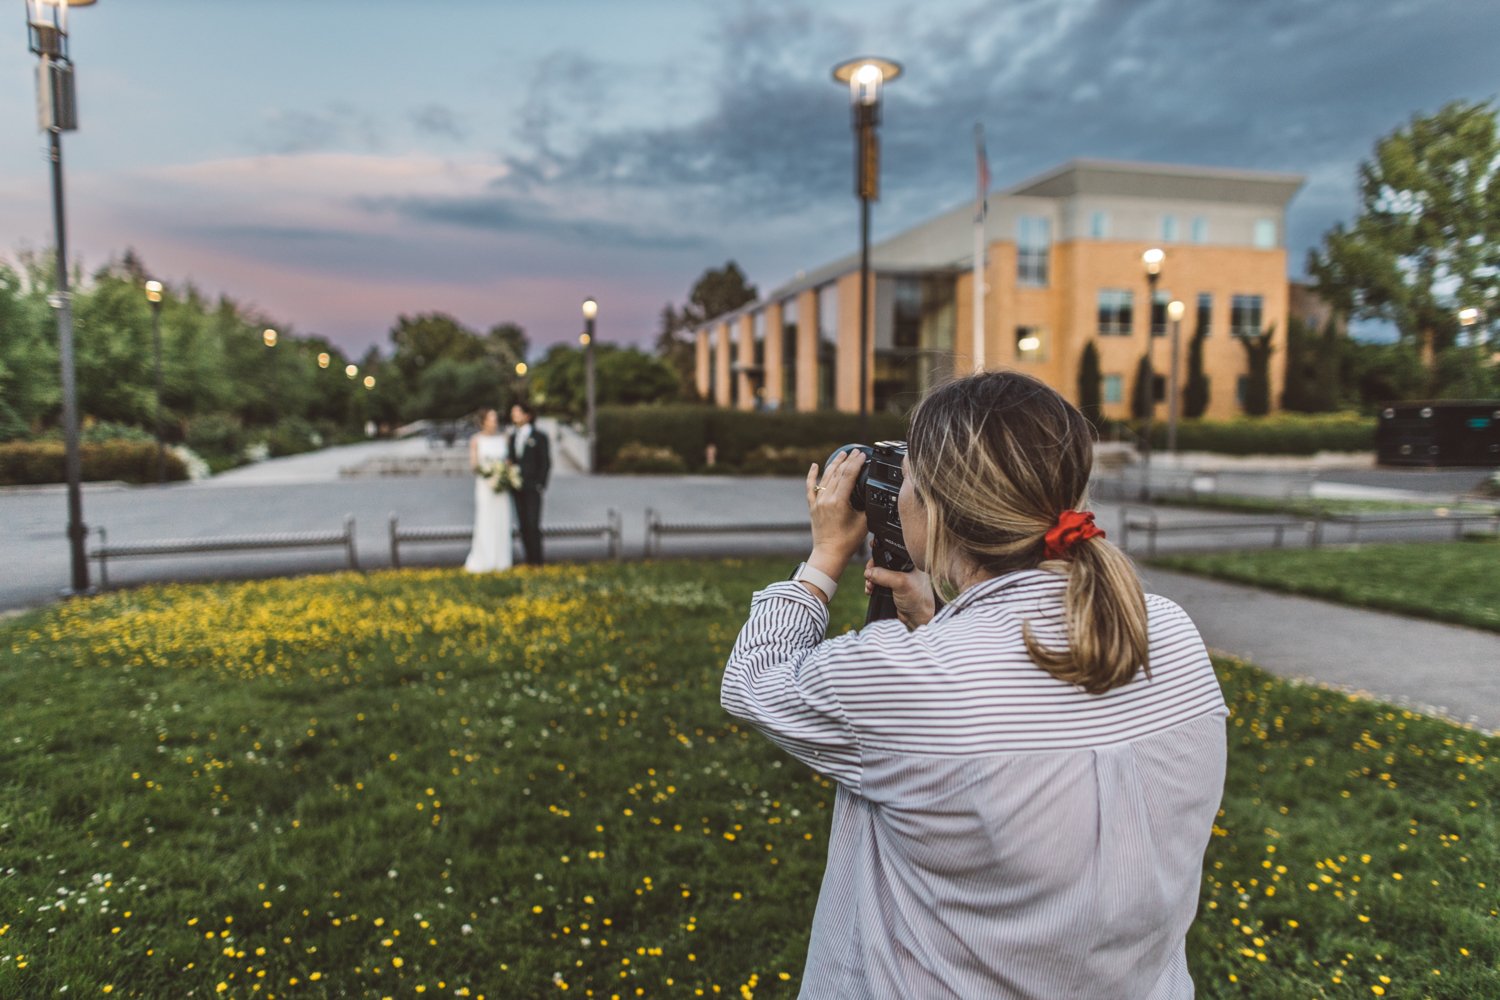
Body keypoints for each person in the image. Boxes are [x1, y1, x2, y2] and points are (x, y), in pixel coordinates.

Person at [721, 371, 1228, 999]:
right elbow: (1027, 708)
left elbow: (754, 680)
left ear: (931, 505)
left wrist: (824, 559)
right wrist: (933, 623)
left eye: (906, 476)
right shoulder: (1169, 634)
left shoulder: (910, 679)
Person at [463, 408, 514, 574]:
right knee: (485, 520)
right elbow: (474, 465)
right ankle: (485, 558)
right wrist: (490, 472)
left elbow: (508, 461)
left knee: (502, 520)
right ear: (483, 421)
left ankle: (502, 560)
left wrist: (504, 473)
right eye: (491, 418)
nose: (495, 421)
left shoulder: (504, 438)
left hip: (501, 487)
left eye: (496, 418)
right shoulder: (476, 440)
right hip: (485, 486)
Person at [508, 400, 550, 566]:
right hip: (517, 487)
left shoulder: (539, 437)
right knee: (523, 525)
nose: (514, 416)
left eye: (517, 412)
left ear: (527, 415)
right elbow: (511, 460)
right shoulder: (512, 437)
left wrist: (540, 484)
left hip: (533, 487)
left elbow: (545, 462)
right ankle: (528, 560)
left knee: (533, 524)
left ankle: (537, 560)